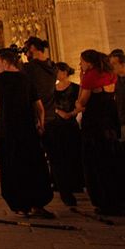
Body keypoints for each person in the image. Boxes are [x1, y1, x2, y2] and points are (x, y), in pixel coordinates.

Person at [0, 47, 54, 218]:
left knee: (12, 165)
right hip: (28, 129)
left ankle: (20, 205)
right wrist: (40, 122)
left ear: (4, 62)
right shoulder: (26, 79)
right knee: (33, 163)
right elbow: (38, 106)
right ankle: (37, 202)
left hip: (9, 130)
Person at [58, 49, 123, 214]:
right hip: (110, 122)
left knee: (94, 162)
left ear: (89, 62)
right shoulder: (110, 74)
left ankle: (101, 201)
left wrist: (81, 85)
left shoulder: (90, 77)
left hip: (94, 124)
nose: (80, 64)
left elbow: (81, 102)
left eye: (82, 61)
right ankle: (115, 198)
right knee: (110, 159)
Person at [48, 62, 84, 206]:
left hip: (71, 123)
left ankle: (75, 182)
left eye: (58, 71)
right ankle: (61, 183)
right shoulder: (52, 89)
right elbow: (51, 105)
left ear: (64, 72)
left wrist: (72, 113)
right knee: (60, 153)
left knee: (73, 153)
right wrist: (59, 112)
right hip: (57, 124)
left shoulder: (75, 88)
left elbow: (81, 104)